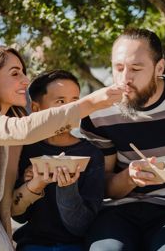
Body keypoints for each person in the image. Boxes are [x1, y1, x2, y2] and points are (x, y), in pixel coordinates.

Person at [0, 46, 123, 251]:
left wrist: (35, 184)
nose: (25, 80)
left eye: (23, 72)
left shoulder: (14, 140)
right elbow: (22, 129)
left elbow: (10, 207)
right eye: (15, 73)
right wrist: (91, 102)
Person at [80, 28, 165, 251]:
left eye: (136, 68)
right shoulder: (99, 112)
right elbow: (103, 187)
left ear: (160, 67)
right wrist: (129, 178)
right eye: (118, 68)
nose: (125, 78)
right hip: (118, 211)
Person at [11, 70, 105, 251]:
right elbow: (19, 217)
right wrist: (30, 184)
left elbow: (80, 227)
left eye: (75, 102)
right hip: (33, 243)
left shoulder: (91, 154)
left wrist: (68, 189)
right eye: (60, 102)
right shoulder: (25, 150)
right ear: (37, 109)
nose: (70, 110)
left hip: (78, 245)